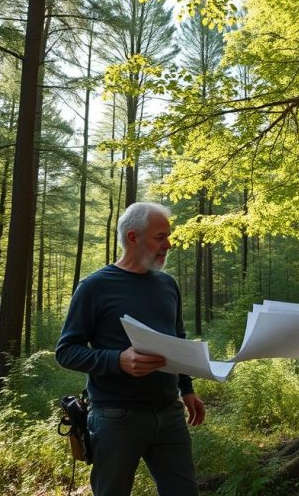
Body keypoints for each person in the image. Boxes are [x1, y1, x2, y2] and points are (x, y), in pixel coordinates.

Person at [56, 202, 205, 496]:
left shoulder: (167, 284)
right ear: (133, 237)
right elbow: (66, 351)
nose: (169, 244)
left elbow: (178, 336)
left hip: (169, 412)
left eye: (168, 236)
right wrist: (118, 360)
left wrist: (186, 389)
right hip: (115, 416)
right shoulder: (94, 286)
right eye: (160, 237)